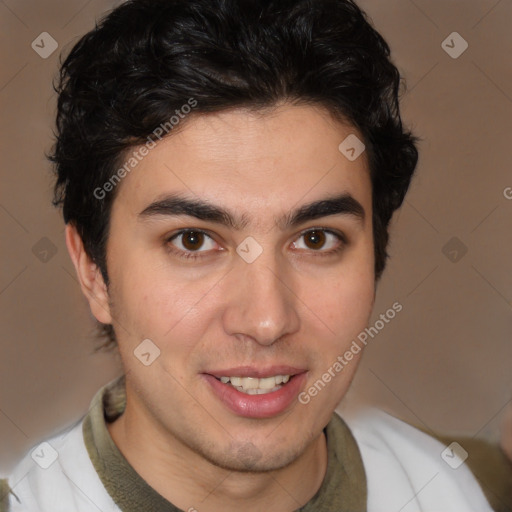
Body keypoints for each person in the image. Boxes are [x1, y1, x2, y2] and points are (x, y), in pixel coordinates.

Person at [1, 0, 509, 510]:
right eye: (193, 241)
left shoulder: (472, 488)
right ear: (93, 272)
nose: (267, 320)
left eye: (315, 239)